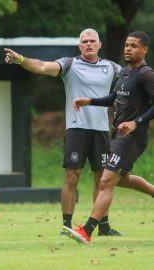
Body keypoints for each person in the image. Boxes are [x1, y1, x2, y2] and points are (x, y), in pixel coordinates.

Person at [4, 29, 124, 236]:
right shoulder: (70, 65)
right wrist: (20, 59)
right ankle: (66, 226)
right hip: (76, 129)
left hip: (101, 131)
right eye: (84, 41)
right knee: (72, 177)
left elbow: (134, 81)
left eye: (92, 41)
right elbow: (41, 66)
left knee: (102, 179)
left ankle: (103, 227)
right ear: (79, 46)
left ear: (99, 45)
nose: (88, 44)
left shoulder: (111, 67)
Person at [64, 31, 154, 244]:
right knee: (120, 180)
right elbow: (115, 97)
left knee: (106, 181)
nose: (128, 49)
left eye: (133, 46)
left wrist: (135, 122)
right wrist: (90, 101)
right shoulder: (124, 72)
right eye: (126, 45)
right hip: (118, 135)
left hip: (133, 138)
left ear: (145, 50)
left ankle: (87, 231)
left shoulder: (146, 74)